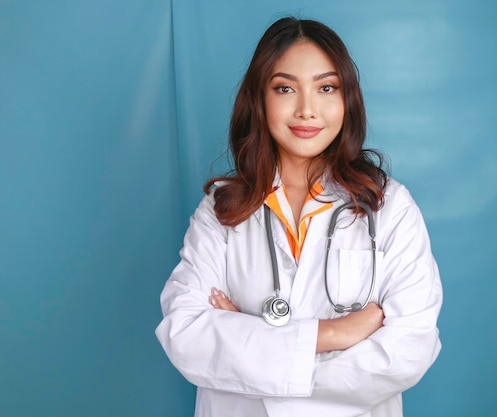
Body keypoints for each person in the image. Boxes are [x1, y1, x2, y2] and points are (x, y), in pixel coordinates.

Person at [156, 16, 442, 417]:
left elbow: (409, 349)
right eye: (285, 88)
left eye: (326, 88)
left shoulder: (389, 208)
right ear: (260, 98)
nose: (307, 109)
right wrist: (332, 335)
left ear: (347, 100)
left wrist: (255, 342)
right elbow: (185, 334)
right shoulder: (221, 210)